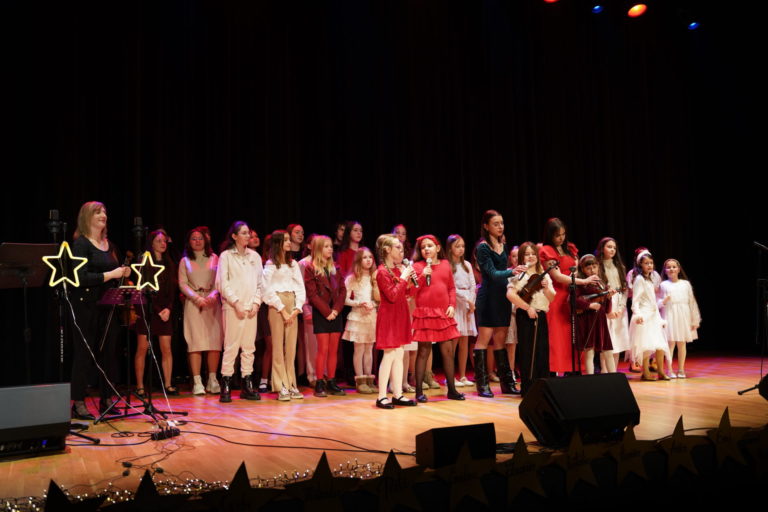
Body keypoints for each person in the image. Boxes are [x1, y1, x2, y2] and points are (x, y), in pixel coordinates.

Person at [69, 201, 131, 420]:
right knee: (84, 353)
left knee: (109, 353)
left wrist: (124, 273)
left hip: (109, 305)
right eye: (97, 212)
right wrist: (111, 274)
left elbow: (117, 274)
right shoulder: (81, 244)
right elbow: (80, 277)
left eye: (104, 211)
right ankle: (78, 402)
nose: (103, 214)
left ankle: (107, 398)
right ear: (87, 217)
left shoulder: (110, 245)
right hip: (86, 305)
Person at [473, 210, 524, 397]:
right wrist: (512, 271)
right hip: (488, 297)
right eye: (495, 224)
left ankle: (506, 383)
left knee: (501, 340)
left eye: (501, 223)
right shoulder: (483, 248)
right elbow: (493, 274)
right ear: (486, 226)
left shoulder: (503, 244)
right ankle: (482, 384)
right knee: (484, 339)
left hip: (502, 296)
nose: (500, 227)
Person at [539, 217, 599, 375]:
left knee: (573, 335)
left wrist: (580, 281)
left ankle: (572, 370)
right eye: (557, 235)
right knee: (558, 336)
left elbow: (576, 268)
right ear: (550, 235)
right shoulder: (546, 250)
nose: (561, 238)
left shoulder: (569, 248)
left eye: (563, 234)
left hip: (572, 295)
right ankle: (554, 370)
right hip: (557, 297)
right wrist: (583, 281)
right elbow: (557, 277)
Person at [411, 235, 464, 402]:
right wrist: (422, 275)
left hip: (443, 313)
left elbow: (451, 288)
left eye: (430, 246)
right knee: (423, 351)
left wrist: (451, 305)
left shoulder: (445, 264)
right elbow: (412, 290)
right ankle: (419, 391)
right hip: (425, 313)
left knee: (448, 351)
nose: (426, 249)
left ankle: (452, 390)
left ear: (438, 248)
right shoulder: (417, 267)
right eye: (423, 247)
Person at [215, 221, 263, 402]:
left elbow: (261, 283)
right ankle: (226, 382)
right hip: (233, 307)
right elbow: (222, 283)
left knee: (249, 347)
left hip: (251, 308)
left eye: (248, 233)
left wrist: (256, 303)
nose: (247, 236)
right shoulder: (226, 256)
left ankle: (247, 382)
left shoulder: (255, 256)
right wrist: (236, 303)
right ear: (234, 236)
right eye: (243, 233)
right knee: (231, 346)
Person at [506, 242, 555, 396]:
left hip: (541, 314)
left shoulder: (544, 274)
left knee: (542, 351)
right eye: (527, 254)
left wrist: (546, 288)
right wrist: (527, 308)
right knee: (528, 352)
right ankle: (528, 388)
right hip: (526, 315)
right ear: (522, 257)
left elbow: (551, 298)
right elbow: (510, 294)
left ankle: (542, 388)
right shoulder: (520, 274)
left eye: (533, 253)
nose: (531, 256)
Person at [374, 234, 417, 409]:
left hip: (400, 314)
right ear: (387, 250)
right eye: (397, 247)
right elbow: (391, 295)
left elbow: (405, 293)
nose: (402, 250)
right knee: (390, 354)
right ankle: (381, 396)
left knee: (399, 353)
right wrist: (405, 277)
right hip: (389, 316)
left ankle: (397, 394)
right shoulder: (382, 272)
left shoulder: (398, 270)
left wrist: (414, 280)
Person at [178, 227, 222, 395]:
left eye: (200, 238)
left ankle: (212, 379)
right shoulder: (185, 261)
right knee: (195, 342)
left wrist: (213, 295)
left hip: (212, 303)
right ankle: (197, 381)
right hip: (193, 303)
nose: (197, 241)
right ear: (189, 242)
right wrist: (196, 298)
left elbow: (219, 280)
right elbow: (182, 283)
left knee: (214, 342)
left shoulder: (214, 258)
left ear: (206, 240)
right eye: (193, 239)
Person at [263, 230, 306, 400]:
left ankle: (291, 383)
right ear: (278, 243)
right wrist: (282, 309)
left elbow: (300, 287)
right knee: (278, 347)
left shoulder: (293, 264)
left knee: (291, 347)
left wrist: (296, 309)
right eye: (286, 240)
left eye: (289, 239)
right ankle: (280, 384)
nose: (289, 242)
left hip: (292, 302)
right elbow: (266, 290)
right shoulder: (270, 264)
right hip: (277, 305)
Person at [134, 229, 178, 396]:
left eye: (164, 241)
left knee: (166, 348)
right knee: (142, 348)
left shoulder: (169, 264)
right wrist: (158, 310)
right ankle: (140, 386)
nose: (163, 243)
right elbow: (143, 289)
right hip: (147, 310)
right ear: (151, 243)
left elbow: (172, 291)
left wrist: (169, 309)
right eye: (159, 241)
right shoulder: (144, 262)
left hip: (165, 312)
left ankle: (168, 384)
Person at [304, 235, 346, 397]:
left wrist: (335, 310)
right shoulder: (311, 268)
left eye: (331, 246)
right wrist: (327, 312)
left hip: (335, 313)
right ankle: (320, 382)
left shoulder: (336, 268)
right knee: (323, 349)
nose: (330, 249)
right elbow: (312, 294)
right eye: (326, 246)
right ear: (318, 249)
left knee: (334, 350)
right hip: (322, 313)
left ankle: (332, 381)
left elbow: (342, 290)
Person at [629, 250, 671, 381]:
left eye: (651, 263)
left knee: (660, 345)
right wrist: (638, 315)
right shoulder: (639, 279)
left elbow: (652, 300)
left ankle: (661, 372)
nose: (649, 265)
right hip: (645, 315)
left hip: (654, 315)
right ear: (640, 265)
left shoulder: (650, 279)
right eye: (646, 263)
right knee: (646, 345)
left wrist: (659, 316)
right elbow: (635, 301)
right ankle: (645, 372)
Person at [343, 247, 379, 394]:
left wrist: (373, 304)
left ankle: (369, 379)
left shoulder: (374, 277)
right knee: (359, 349)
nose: (368, 260)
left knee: (369, 348)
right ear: (358, 260)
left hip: (371, 316)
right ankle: (360, 380)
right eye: (365, 257)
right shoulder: (352, 278)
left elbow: (379, 298)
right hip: (358, 316)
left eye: (370, 257)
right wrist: (359, 303)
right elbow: (345, 299)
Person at [574, 254, 616, 374]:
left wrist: (609, 297)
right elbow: (573, 300)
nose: (592, 270)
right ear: (583, 269)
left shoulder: (601, 283)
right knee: (589, 351)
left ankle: (614, 378)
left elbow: (607, 309)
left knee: (608, 350)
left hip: (600, 320)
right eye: (588, 268)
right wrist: (589, 305)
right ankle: (590, 379)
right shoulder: (580, 283)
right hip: (588, 319)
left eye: (594, 267)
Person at [659, 259, 701, 378]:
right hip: (669, 313)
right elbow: (658, 302)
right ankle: (669, 370)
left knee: (682, 343)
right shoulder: (663, 285)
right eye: (668, 267)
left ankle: (681, 369)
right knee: (670, 343)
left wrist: (694, 319)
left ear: (678, 269)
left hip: (683, 314)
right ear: (665, 270)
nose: (671, 269)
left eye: (674, 267)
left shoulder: (685, 284)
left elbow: (692, 302)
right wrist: (663, 301)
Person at [595, 237, 631, 372]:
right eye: (609, 247)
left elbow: (624, 290)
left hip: (619, 306)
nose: (612, 250)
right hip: (606, 303)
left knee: (619, 341)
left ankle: (613, 371)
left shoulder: (620, 267)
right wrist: (608, 309)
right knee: (607, 341)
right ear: (602, 248)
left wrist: (621, 308)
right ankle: (604, 371)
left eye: (614, 248)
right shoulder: (597, 267)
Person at [446, 234, 476, 387]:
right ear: (450, 248)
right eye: (457, 246)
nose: (461, 249)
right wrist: (466, 300)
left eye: (462, 246)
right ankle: (450, 376)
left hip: (467, 305)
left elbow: (472, 285)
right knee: (454, 342)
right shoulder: (448, 265)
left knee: (465, 341)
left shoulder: (467, 265)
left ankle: (463, 375)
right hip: (456, 304)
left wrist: (471, 303)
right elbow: (451, 288)